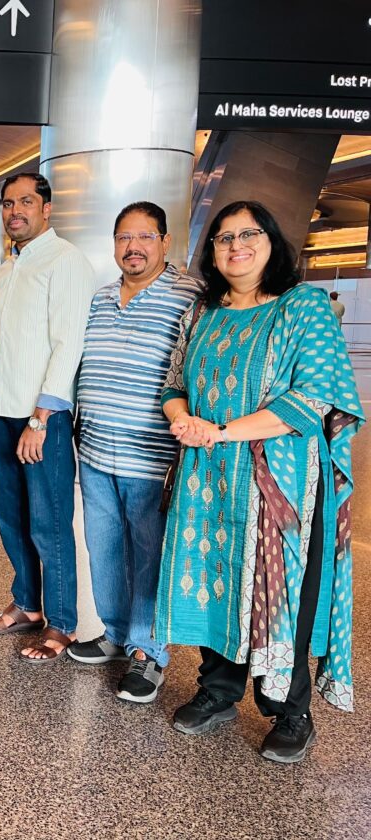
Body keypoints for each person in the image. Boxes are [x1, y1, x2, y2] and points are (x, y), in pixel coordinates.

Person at [156, 200, 362, 764]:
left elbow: (312, 399)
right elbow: (173, 384)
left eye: (249, 234)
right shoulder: (201, 313)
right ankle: (218, 691)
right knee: (215, 575)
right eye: (224, 238)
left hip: (281, 483)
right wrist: (183, 418)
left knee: (282, 595)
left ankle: (290, 712)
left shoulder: (303, 306)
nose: (236, 246)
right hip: (209, 475)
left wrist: (220, 431)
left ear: (272, 242)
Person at [68, 202, 204, 702]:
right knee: (103, 547)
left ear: (165, 242)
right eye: (124, 237)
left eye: (145, 236)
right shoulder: (101, 297)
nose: (134, 247)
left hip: (153, 455)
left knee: (150, 555)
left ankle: (148, 651)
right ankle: (115, 632)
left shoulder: (190, 296)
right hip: (95, 450)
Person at [0, 173, 97, 662]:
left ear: (47, 208)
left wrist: (40, 419)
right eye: (8, 203)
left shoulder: (65, 261)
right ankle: (28, 604)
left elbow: (69, 345)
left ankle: (62, 623)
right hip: (3, 413)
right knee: (9, 517)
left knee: (49, 522)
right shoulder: (8, 267)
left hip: (43, 419)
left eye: (26, 201)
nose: (15, 211)